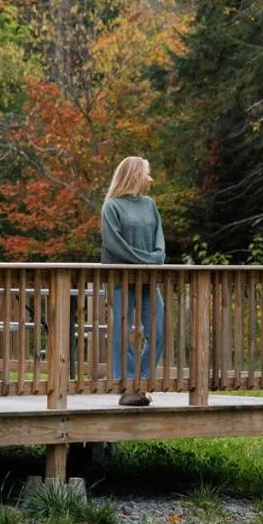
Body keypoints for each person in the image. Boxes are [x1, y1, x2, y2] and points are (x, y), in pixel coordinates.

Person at [101, 156, 165, 407]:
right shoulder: (112, 207)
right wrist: (145, 260)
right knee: (121, 333)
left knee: (159, 330)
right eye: (146, 173)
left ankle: (143, 382)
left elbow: (160, 243)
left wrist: (154, 260)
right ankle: (128, 386)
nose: (150, 179)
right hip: (120, 280)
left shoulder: (149, 205)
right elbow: (114, 245)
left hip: (149, 280)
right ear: (135, 175)